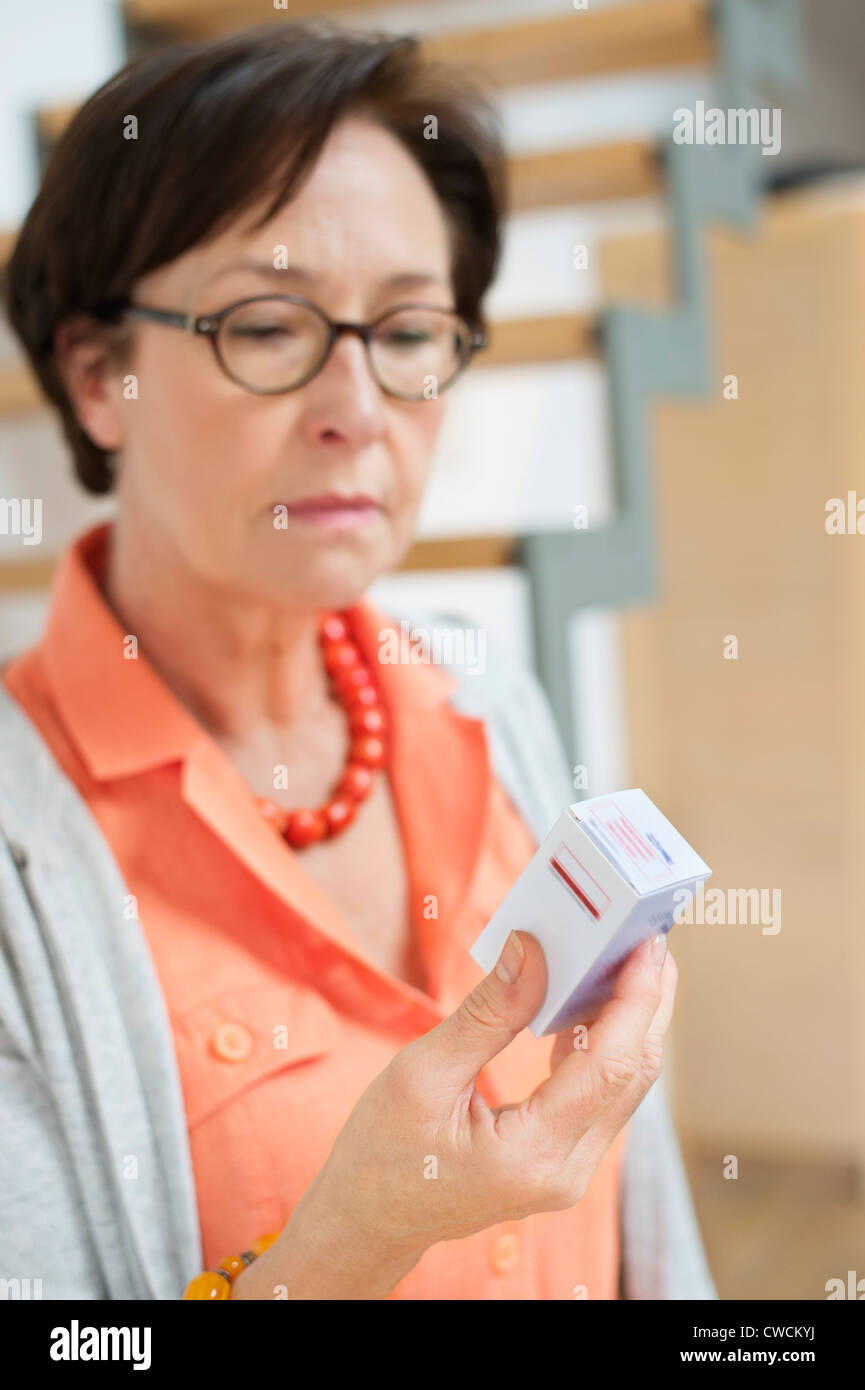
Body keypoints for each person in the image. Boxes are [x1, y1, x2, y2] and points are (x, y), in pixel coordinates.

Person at [0, 21, 715, 1300]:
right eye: (268, 327)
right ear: (102, 375)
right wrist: (350, 1245)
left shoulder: (487, 704)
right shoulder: (24, 864)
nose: (358, 407)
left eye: (407, 330)